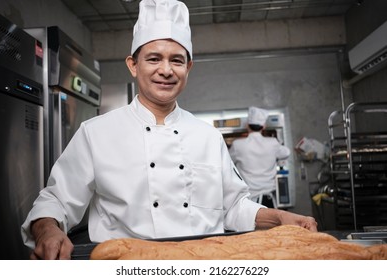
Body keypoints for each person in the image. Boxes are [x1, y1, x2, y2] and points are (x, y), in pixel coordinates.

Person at [21, 0, 317, 260]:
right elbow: (56, 200)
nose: (166, 70)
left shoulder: (208, 137)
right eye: (153, 58)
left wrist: (279, 217)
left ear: (188, 68)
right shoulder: (95, 133)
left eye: (176, 60)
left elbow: (234, 207)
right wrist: (48, 229)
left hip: (205, 266)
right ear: (133, 65)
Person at [229, 107, 291, 207]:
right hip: (268, 200)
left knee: (249, 223)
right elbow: (286, 153)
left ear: (247, 126)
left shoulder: (238, 145)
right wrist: (278, 141)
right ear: (264, 127)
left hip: (248, 202)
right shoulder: (272, 143)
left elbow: (227, 162)